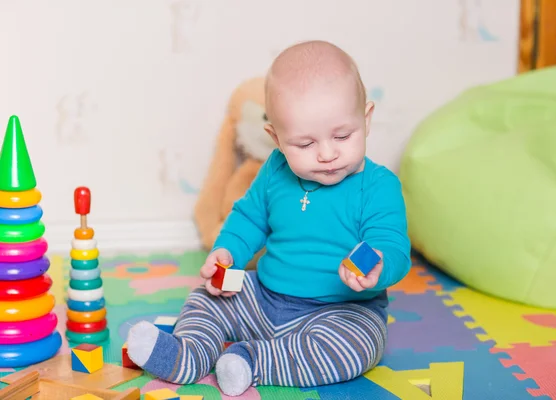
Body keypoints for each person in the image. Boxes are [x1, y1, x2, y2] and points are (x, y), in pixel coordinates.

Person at [126, 39, 411, 396]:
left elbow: (392, 244)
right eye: (304, 144)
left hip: (341, 311)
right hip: (265, 298)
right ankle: (189, 353)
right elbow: (249, 219)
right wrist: (227, 253)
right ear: (275, 138)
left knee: (358, 345)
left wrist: (378, 265)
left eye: (342, 135)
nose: (326, 153)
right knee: (205, 298)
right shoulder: (275, 171)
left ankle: (254, 361)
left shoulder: (379, 186)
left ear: (366, 119)